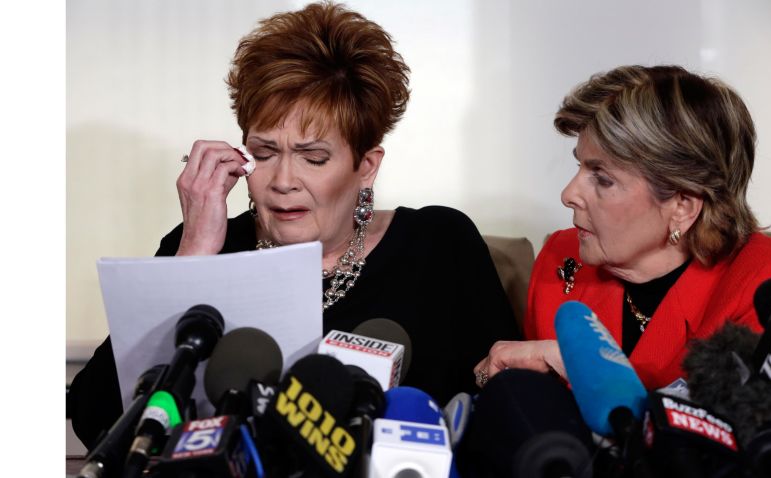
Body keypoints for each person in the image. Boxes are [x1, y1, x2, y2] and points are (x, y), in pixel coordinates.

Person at [69, 1, 519, 449]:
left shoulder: (440, 244)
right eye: (263, 154)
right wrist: (195, 255)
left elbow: (506, 407)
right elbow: (97, 420)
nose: (283, 182)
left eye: (313, 157)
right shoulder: (204, 247)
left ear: (366, 165)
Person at [473, 65, 771, 391]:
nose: (568, 195)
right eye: (579, 166)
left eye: (603, 179)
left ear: (683, 205)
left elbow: (747, 428)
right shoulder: (561, 260)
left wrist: (588, 367)